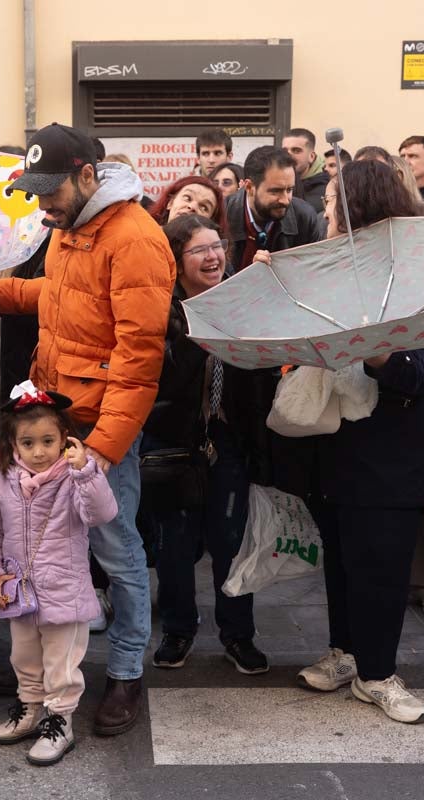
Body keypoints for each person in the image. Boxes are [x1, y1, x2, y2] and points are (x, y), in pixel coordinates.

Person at [0, 123, 174, 736]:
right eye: (34, 192)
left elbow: (140, 357)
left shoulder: (134, 238)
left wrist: (106, 449)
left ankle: (127, 670)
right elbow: (62, 298)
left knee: (116, 547)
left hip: (99, 427)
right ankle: (46, 662)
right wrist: (1, 292)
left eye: (49, 191)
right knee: (46, 542)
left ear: (87, 175)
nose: (41, 205)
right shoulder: (71, 227)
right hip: (58, 412)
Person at [296, 160, 424, 725]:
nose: (326, 211)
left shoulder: (419, 277)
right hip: (335, 440)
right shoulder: (329, 268)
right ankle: (346, 652)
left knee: (383, 566)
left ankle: (379, 673)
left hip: (396, 450)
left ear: (362, 205)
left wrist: (384, 354)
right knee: (340, 559)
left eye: (336, 201)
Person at [143, 213, 268, 673]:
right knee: (174, 545)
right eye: (199, 250)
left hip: (229, 441)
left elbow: (259, 375)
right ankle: (178, 630)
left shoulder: (241, 299)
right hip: (173, 442)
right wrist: (204, 328)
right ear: (176, 261)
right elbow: (166, 381)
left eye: (218, 246)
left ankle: (238, 635)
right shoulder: (161, 309)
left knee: (232, 543)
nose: (214, 256)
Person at [0, 383, 118, 766]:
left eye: (48, 441)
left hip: (64, 593)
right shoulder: (2, 481)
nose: (38, 452)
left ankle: (60, 720)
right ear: (13, 444)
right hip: (19, 592)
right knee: (24, 656)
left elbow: (102, 514)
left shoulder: (75, 477)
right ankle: (30, 707)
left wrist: (86, 471)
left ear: (64, 441)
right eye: (28, 443)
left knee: (61, 664)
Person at [225, 146, 321, 272]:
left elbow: (312, 275)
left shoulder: (304, 217)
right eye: (275, 191)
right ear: (249, 187)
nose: (285, 200)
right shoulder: (222, 214)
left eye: (289, 190)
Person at [147, 176, 226, 230]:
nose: (193, 207)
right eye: (187, 198)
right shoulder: (144, 237)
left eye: (204, 207)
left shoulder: (213, 254)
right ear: (170, 203)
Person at [282, 128, 328, 212]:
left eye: (296, 150)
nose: (288, 155)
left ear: (311, 156)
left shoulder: (326, 190)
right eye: (285, 150)